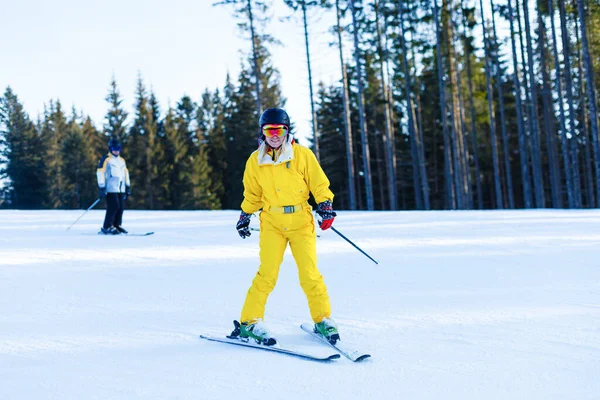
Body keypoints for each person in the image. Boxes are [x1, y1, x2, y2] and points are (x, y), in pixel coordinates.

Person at [229, 108, 339, 346]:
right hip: (272, 223)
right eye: (269, 130)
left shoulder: (302, 155)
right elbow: (253, 194)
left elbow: (319, 184)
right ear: (262, 132)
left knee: (309, 274)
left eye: (279, 130)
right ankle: (249, 322)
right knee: (267, 274)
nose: (274, 135)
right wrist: (245, 215)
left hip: (301, 221)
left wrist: (325, 205)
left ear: (287, 131)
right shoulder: (255, 161)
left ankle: (323, 320)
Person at [97, 137, 131, 235]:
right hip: (110, 188)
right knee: (114, 206)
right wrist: (102, 187)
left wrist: (127, 186)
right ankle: (107, 226)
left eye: (118, 149)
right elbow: (100, 172)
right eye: (114, 149)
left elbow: (125, 173)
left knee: (120, 207)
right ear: (110, 149)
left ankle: (117, 225)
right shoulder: (106, 159)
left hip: (121, 188)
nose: (116, 151)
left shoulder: (121, 160)